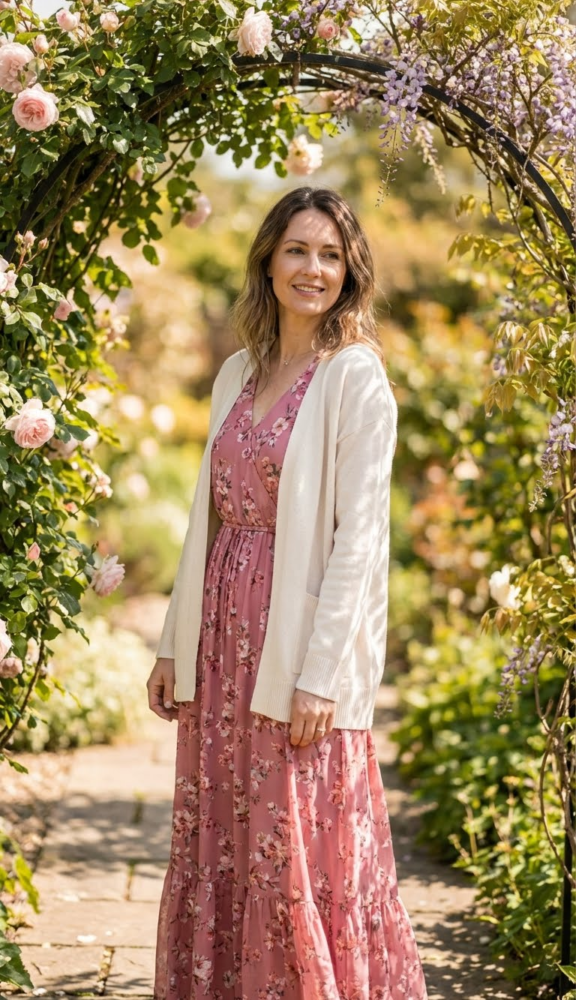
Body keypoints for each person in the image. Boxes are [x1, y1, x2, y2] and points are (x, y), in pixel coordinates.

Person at [148, 185, 428, 999]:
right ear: (268, 259)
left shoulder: (357, 381)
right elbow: (205, 519)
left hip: (293, 653)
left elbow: (360, 544)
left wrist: (321, 675)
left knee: (294, 841)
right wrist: (172, 643)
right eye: (299, 250)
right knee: (223, 840)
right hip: (220, 642)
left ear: (351, 272)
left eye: (332, 255)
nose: (314, 269)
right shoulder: (236, 370)